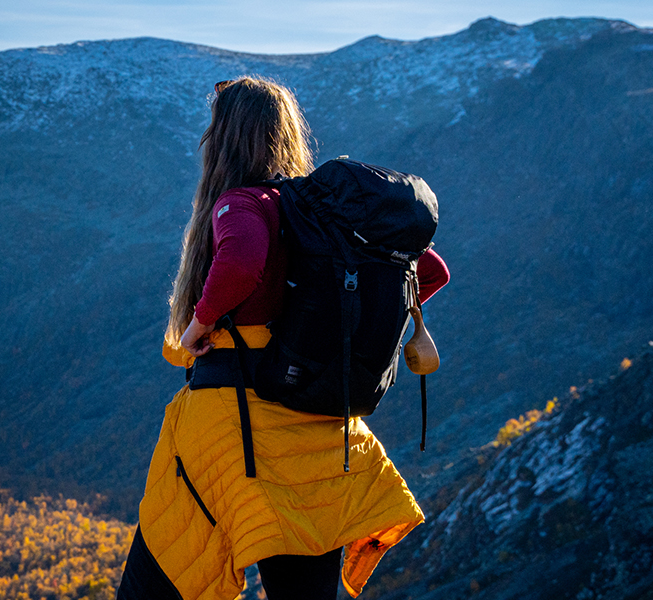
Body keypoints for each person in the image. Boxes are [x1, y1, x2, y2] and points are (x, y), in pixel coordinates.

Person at [114, 76, 450, 600]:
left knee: (157, 580)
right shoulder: (324, 216)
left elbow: (242, 262)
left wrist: (197, 326)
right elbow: (429, 271)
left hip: (235, 431)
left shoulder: (242, 204)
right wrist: (325, 330)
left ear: (224, 141)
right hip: (317, 437)